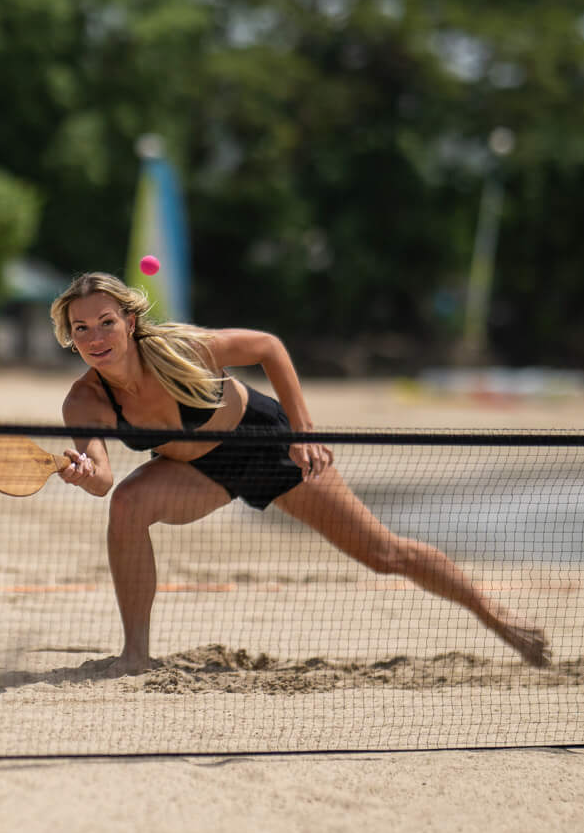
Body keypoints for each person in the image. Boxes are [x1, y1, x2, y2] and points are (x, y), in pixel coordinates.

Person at [48, 272, 551, 675]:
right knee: (127, 506)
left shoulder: (182, 349)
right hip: (198, 471)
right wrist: (82, 469)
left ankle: (495, 614)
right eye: (82, 328)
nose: (95, 336)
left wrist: (302, 432)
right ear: (70, 337)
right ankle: (135, 653)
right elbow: (102, 477)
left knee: (383, 554)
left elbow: (268, 347)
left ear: (130, 322)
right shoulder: (85, 399)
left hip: (269, 444)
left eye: (106, 322)